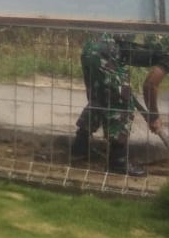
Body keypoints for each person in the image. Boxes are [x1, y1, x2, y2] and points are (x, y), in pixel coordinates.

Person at [72, 32, 169, 175]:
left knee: (102, 98)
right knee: (122, 103)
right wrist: (154, 116)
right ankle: (118, 162)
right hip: (106, 52)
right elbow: (150, 85)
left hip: (91, 47)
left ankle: (79, 147)